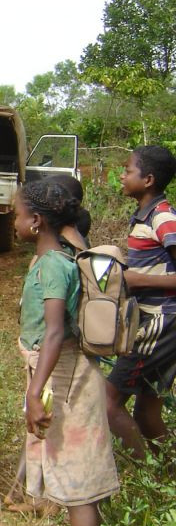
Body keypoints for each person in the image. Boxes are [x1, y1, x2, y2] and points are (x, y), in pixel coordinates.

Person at [15, 178, 118, 526]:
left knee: (80, 488)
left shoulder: (55, 266)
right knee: (73, 480)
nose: (15, 223)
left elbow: (55, 331)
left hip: (66, 377)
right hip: (56, 371)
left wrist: (34, 391)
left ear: (37, 221)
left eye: (18, 216)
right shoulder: (49, 260)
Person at [105, 145, 176, 460]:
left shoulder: (163, 217)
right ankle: (167, 476)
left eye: (127, 170)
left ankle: (143, 474)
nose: (121, 175)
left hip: (160, 321)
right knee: (147, 410)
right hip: (158, 320)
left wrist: (139, 279)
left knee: (108, 401)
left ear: (147, 179)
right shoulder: (146, 216)